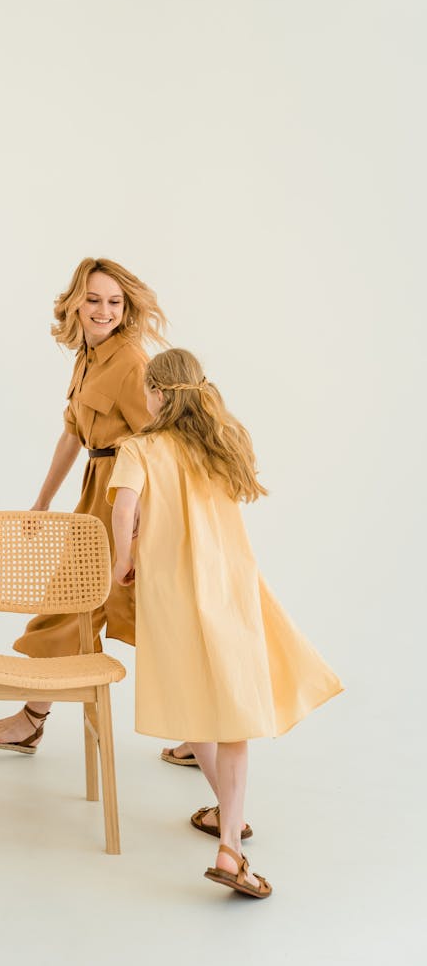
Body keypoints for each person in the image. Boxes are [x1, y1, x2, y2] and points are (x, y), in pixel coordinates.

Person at [108, 348, 342, 898]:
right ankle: (230, 844)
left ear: (158, 394)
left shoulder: (139, 448)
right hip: (230, 585)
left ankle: (224, 821)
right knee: (231, 710)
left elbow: (123, 507)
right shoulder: (220, 445)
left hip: (169, 592)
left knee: (188, 691)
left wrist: (126, 557)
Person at [0, 258, 166, 752]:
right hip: (97, 490)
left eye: (114, 301)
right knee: (93, 603)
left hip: (127, 497)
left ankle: (32, 718)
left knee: (122, 607)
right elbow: (73, 435)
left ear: (126, 307)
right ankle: (34, 717)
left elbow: (159, 445)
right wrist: (42, 501)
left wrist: (136, 525)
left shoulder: (132, 363)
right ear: (75, 303)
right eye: (93, 299)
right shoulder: (88, 355)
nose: (103, 310)